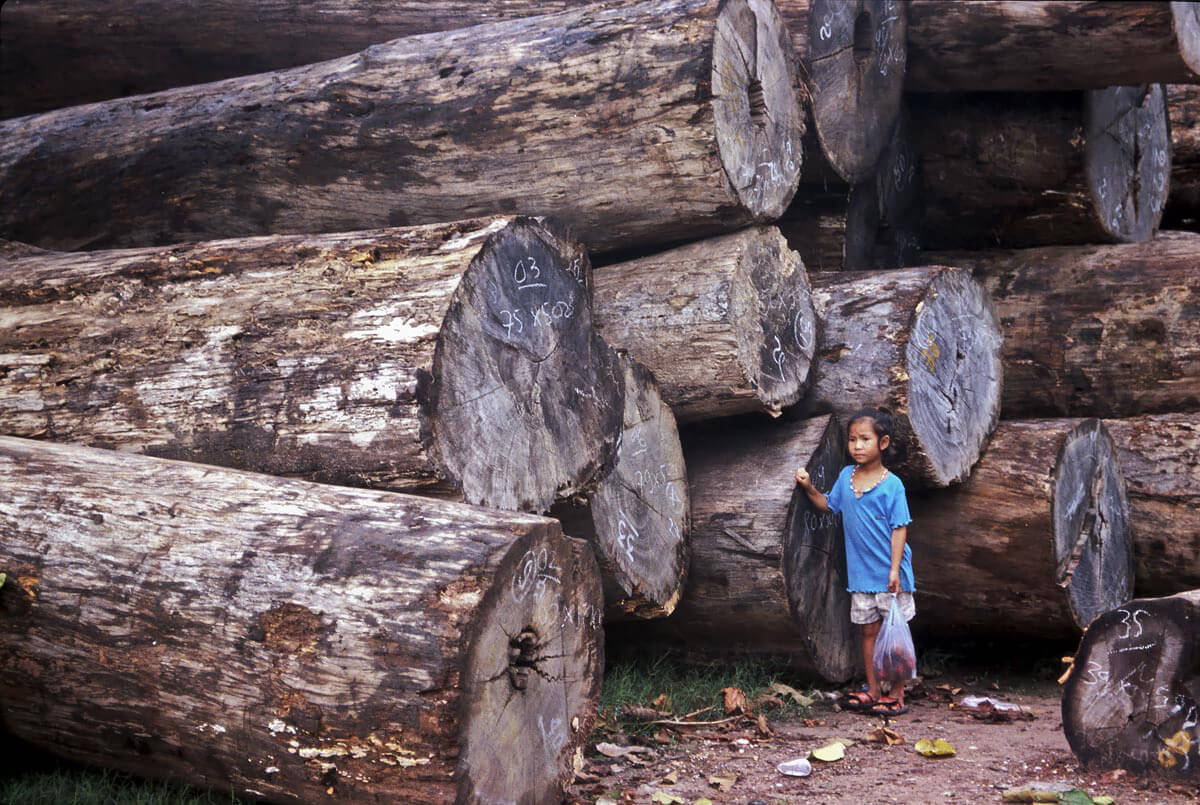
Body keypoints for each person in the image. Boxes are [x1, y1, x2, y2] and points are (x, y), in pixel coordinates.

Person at [794, 407, 915, 716]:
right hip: (861, 577)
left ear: (883, 443)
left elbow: (900, 528)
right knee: (869, 632)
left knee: (895, 635)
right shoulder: (846, 477)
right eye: (852, 440)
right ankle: (874, 689)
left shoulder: (892, 486)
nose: (857, 446)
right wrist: (809, 487)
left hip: (890, 576)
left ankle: (897, 692)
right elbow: (828, 505)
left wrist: (894, 569)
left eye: (865, 439)